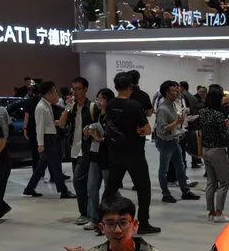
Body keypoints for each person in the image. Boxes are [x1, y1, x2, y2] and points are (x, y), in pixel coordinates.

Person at [101, 72, 159, 235]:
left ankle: (103, 221)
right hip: (134, 153)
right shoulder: (134, 105)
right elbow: (147, 130)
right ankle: (144, 223)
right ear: (130, 86)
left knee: (111, 189)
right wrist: (139, 131)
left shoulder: (111, 104)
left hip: (115, 152)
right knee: (143, 189)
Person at [23, 81, 75, 200]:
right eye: (54, 91)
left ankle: (29, 188)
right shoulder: (41, 107)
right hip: (48, 139)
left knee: (42, 166)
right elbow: (39, 127)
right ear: (49, 93)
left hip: (50, 137)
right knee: (55, 165)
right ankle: (63, 190)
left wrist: (54, 123)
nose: (56, 93)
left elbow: (45, 123)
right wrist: (40, 144)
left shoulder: (46, 105)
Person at [153, 81, 199, 204]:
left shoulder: (173, 105)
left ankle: (185, 191)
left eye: (177, 90)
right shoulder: (163, 109)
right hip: (165, 142)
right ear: (167, 93)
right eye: (174, 90)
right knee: (164, 169)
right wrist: (176, 123)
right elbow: (162, 129)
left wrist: (179, 128)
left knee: (180, 166)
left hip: (174, 140)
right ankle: (166, 194)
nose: (177, 92)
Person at [62, 77, 98, 225]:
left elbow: (99, 127)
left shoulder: (92, 107)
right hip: (74, 150)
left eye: (78, 89)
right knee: (82, 183)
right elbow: (62, 124)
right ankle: (88, 212)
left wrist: (91, 131)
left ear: (85, 90)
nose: (75, 92)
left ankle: (86, 213)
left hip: (87, 150)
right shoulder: (72, 108)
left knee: (78, 181)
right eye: (73, 89)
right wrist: (67, 107)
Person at [198, 85, 229, 222]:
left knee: (211, 183)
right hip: (217, 150)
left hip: (205, 150)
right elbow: (226, 135)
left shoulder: (202, 112)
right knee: (224, 182)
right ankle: (219, 213)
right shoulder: (218, 115)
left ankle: (211, 212)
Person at [83, 88, 113, 231]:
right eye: (98, 99)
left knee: (110, 189)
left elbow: (115, 137)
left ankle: (111, 217)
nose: (99, 102)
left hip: (107, 157)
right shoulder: (96, 115)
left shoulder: (113, 116)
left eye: (102, 99)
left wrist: (102, 139)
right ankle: (94, 218)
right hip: (94, 155)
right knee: (92, 187)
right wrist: (88, 132)